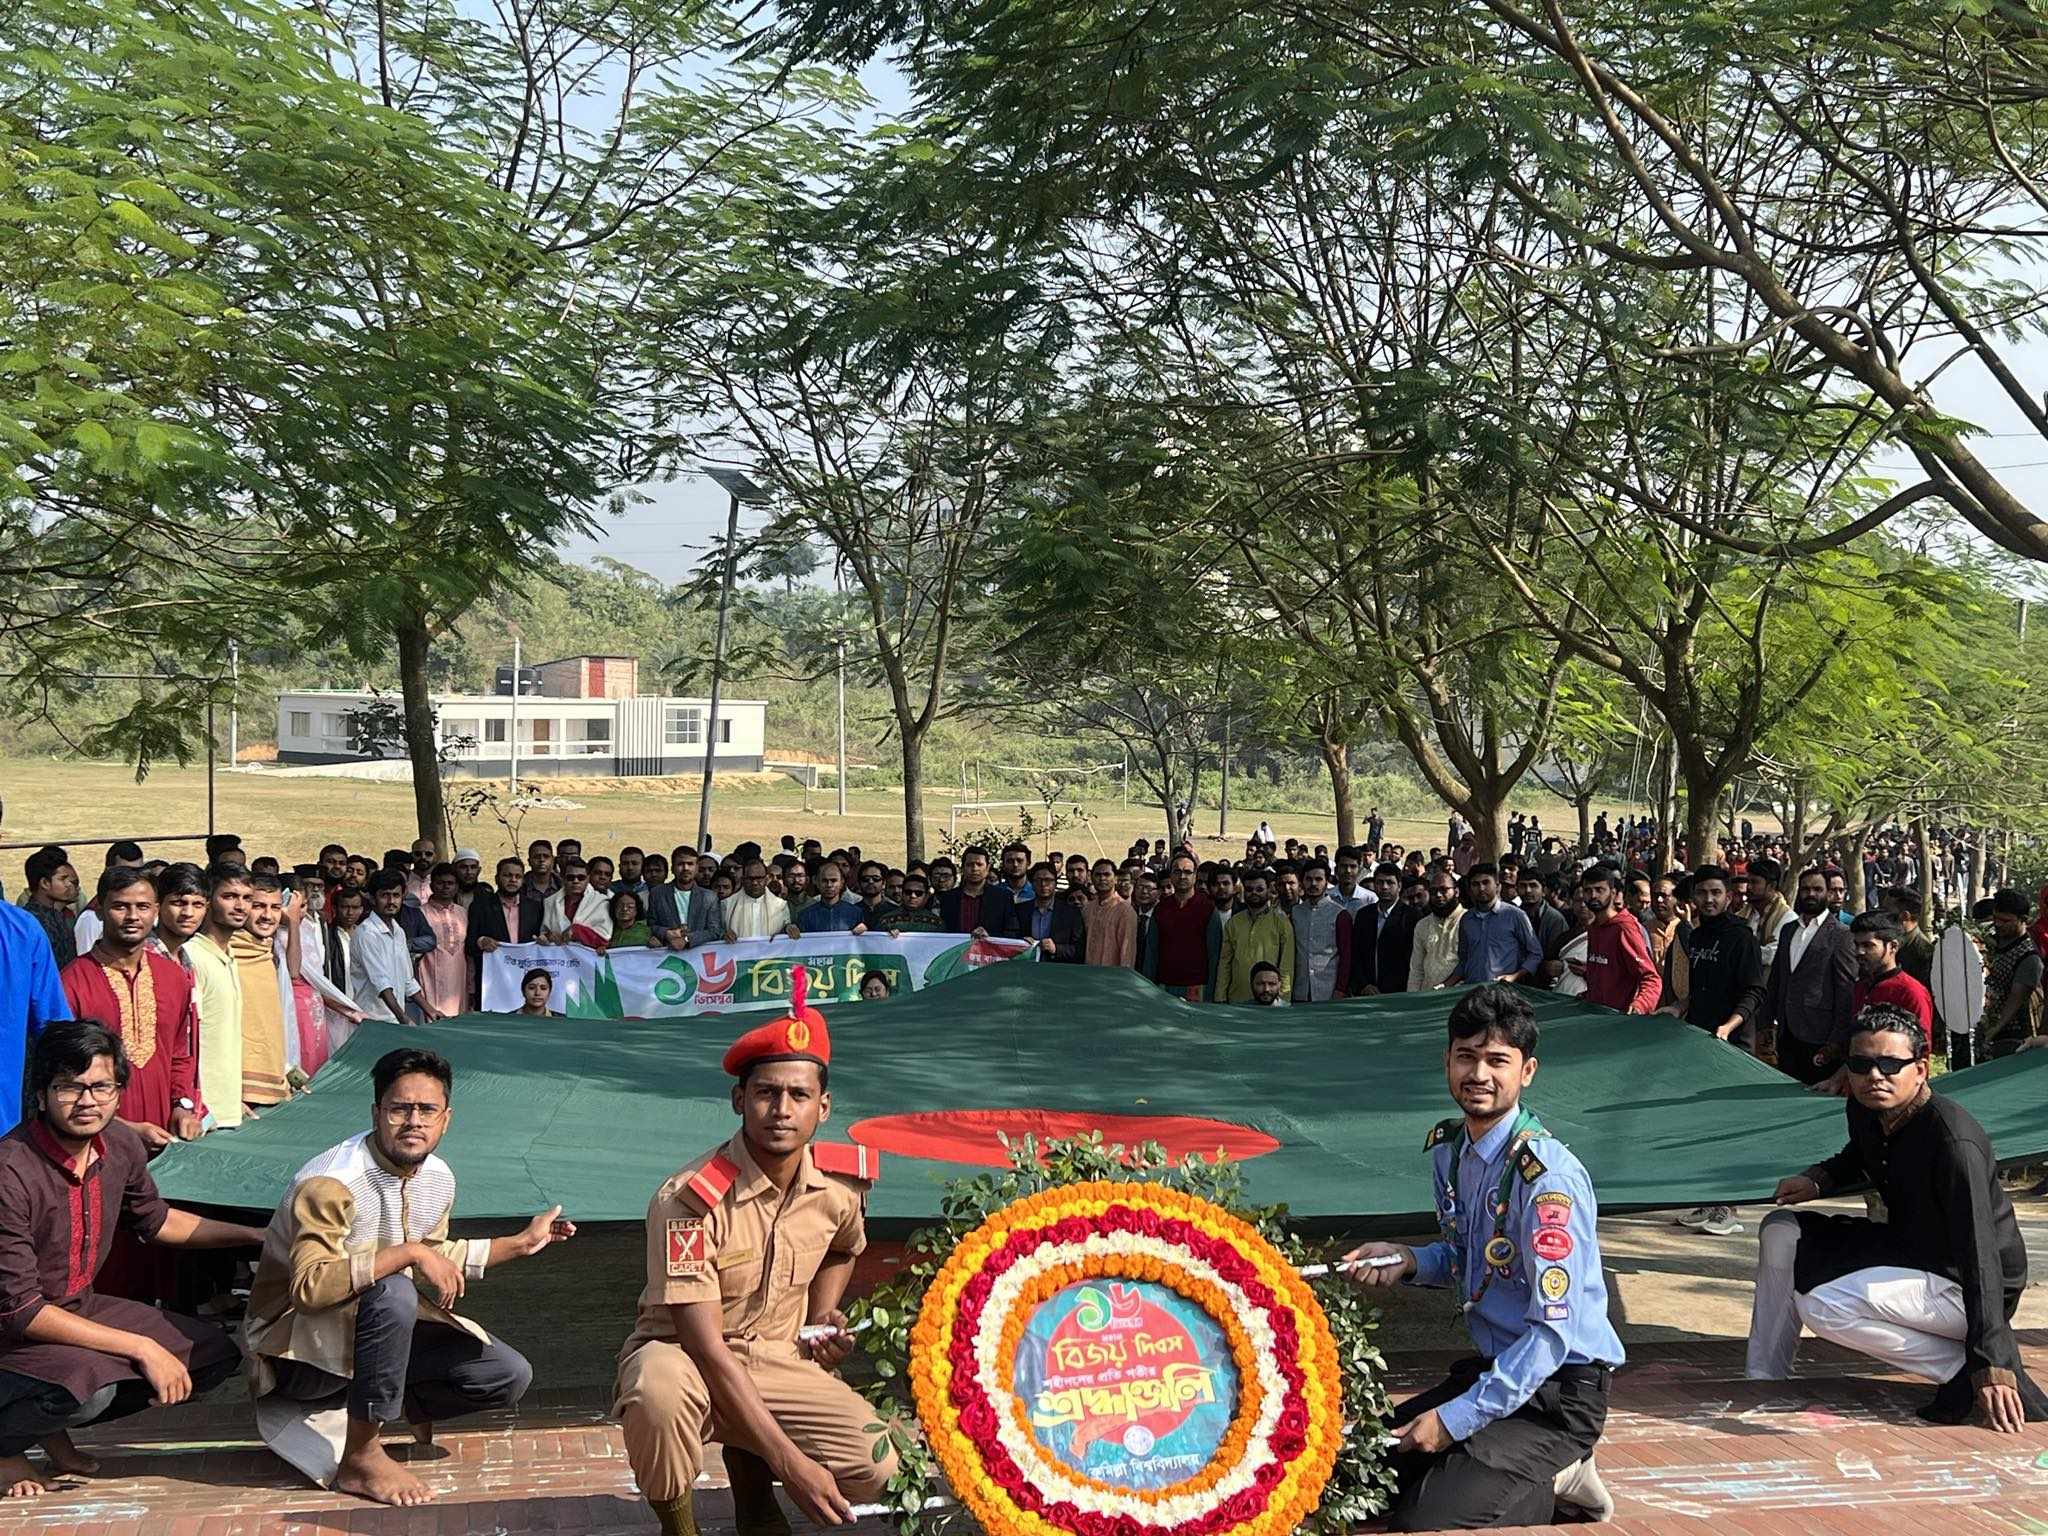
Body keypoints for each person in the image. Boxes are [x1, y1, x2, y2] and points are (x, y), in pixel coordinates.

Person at [614, 970, 894, 1536]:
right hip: (686, 1356)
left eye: (799, 1095)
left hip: (777, 1357)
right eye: (766, 1093)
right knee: (657, 1396)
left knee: (879, 1465)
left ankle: (747, 1464)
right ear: (740, 1100)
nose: (782, 1110)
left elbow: (844, 1248)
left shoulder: (840, 1185)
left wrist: (821, 1316)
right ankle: (678, 1523)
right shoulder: (689, 1199)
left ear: (825, 1106)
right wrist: (792, 1465)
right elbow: (705, 1344)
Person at [243, 1047, 574, 1504]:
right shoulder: (331, 1182)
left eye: (427, 1110)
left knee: (505, 1374)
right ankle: (360, 1456)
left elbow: (435, 1254)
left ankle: (373, 1409)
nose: (413, 1121)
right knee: (395, 1291)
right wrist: (409, 1253)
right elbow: (309, 1288)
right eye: (400, 1108)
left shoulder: (437, 1176)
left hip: (366, 1337)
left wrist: (519, 1243)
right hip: (295, 1356)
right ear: (377, 1113)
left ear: (447, 1118)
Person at [1344, 986, 1622, 1529]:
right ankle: (1485, 1461)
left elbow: (1550, 1335)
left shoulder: (1548, 1183)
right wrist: (1407, 1258)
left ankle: (1563, 1476)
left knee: (1427, 1521)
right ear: (1446, 1060)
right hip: (1495, 1375)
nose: (1479, 1074)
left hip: (1559, 1395)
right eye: (1466, 1056)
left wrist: (1453, 1420)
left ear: (1528, 1071)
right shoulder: (1452, 1150)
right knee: (1355, 1477)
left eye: (1498, 1061)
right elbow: (1470, 1257)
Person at [1748, 1004, 2048, 1429]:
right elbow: (1861, 1154)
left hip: (1967, 1284)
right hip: (1912, 1251)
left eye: (1890, 1064)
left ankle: (1959, 1371)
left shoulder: (1953, 1143)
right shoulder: (1865, 1108)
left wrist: (1994, 1362)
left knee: (1823, 1305)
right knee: (1780, 1230)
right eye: (1862, 1064)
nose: (1875, 1076)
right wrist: (1818, 1179)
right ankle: (1763, 1377)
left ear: (1921, 1070)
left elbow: (1980, 1252)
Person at [0, 1021, 260, 1498]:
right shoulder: (9, 1170)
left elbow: (157, 1221)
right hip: (12, 1330)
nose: (87, 1101)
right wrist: (140, 1346)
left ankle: (47, 1429)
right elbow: (22, 1310)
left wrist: (257, 1235)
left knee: (211, 1354)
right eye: (68, 1087)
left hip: (77, 1308)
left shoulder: (119, 1144)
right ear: (40, 1095)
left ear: (118, 1091)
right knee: (86, 1383)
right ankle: (6, 1447)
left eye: (101, 1086)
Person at [1760, 867, 1857, 1086]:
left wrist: (1836, 1041)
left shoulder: (1842, 935)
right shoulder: (1788, 930)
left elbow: (1846, 992)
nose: (1811, 894)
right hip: (1787, 1034)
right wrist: (1765, 1022)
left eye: (1817, 889)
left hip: (1821, 1038)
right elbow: (1777, 979)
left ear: (1829, 893)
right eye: (1805, 889)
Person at [186, 862, 250, 1131]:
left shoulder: (229, 954)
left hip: (227, 1106)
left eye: (247, 898)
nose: (240, 906)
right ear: (208, 901)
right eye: (229, 897)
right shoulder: (192, 955)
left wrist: (234, 1098)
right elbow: (187, 1039)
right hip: (202, 1112)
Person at [351, 871, 439, 1025]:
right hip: (372, 1020)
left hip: (394, 1018)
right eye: (385, 895)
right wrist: (403, 1018)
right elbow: (381, 983)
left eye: (396, 895)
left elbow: (408, 981)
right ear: (372, 898)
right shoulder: (367, 933)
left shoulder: (398, 931)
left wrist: (430, 1010)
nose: (391, 901)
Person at [1577, 867, 1660, 1014]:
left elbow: (1651, 978)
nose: (1593, 895)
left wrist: (1640, 1005)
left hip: (1619, 1021)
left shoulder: (1625, 928)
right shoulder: (1594, 928)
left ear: (1613, 893)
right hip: (1595, 1017)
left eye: (1599, 890)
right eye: (1588, 890)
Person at [465, 857, 543, 1001]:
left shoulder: (535, 907)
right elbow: (469, 945)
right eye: (507, 875)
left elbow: (540, 941)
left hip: (526, 980)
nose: (513, 880)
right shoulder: (480, 906)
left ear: (523, 880)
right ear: (496, 878)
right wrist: (481, 941)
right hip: (492, 982)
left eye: (518, 876)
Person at [1451, 865, 1541, 986]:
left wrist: (1514, 976)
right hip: (1472, 990)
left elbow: (1535, 954)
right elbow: (1464, 960)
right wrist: (1446, 984)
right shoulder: (1467, 919)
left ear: (1498, 886)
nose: (1481, 888)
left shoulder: (1515, 915)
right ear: (1470, 888)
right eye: (1475, 884)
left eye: (1486, 882)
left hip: (1504, 991)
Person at [1979, 889, 2042, 1058]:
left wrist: (1990, 1032)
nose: (1998, 924)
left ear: (2023, 920)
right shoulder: (1990, 944)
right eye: (1995, 918)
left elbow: (2015, 1001)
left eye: (2005, 920)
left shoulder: (2029, 957)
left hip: (2012, 1036)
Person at [1216, 872, 1293, 1003]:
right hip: (1237, 999)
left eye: (1259, 889)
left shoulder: (1281, 922)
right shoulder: (1234, 922)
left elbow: (1287, 965)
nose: (1254, 893)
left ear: (1269, 890)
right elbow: (1225, 964)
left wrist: (1283, 1000)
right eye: (1249, 889)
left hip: (1269, 1000)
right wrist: (1220, 996)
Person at [416, 865, 469, 1016]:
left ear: (457, 886)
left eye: (450, 883)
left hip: (459, 982)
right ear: (432, 885)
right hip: (429, 980)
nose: (445, 887)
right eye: (440, 883)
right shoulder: (420, 913)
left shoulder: (463, 913)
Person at [1290, 863, 1344, 1002]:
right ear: (1302, 882)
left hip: (1328, 989)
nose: (1313, 884)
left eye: (1319, 879)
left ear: (1327, 882)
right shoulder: (1295, 912)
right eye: (1308, 879)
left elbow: (1346, 956)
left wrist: (1341, 988)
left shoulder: (1340, 914)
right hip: (1299, 989)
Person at [19, 847, 78, 972]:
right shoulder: (27, 922)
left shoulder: (58, 915)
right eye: (63, 879)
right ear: (45, 883)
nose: (69, 884)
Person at [938, 846, 1014, 939]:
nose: (974, 869)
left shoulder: (1003, 897)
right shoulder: (948, 898)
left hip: (989, 951)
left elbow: (1012, 933)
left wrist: (990, 937)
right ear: (962, 868)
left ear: (987, 868)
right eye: (970, 864)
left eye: (979, 864)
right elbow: (942, 932)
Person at [541, 858, 613, 949]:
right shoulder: (549, 902)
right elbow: (544, 932)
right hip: (558, 959)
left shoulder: (602, 902)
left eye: (581, 877)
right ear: (563, 878)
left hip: (588, 959)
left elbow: (605, 938)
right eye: (570, 877)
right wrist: (547, 937)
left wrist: (577, 931)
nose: (576, 881)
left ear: (588, 878)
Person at [1410, 871, 1464, 991]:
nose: (1438, 895)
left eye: (1444, 890)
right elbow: (1416, 970)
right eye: (1433, 891)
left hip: (1460, 997)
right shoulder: (1422, 925)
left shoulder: (1469, 921)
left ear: (1456, 892)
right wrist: (1412, 1001)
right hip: (1428, 998)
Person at [1083, 858, 1136, 967]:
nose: (1102, 878)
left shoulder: (1125, 911)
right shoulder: (1087, 909)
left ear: (1116, 879)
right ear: (1091, 878)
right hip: (1086, 974)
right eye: (1098, 875)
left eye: (1107, 875)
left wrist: (1124, 978)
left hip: (1112, 978)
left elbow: (1127, 952)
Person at [723, 861, 792, 942]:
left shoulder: (780, 905)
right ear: (743, 879)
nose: (755, 883)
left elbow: (785, 932)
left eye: (759, 878)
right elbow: (719, 933)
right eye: (750, 879)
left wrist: (789, 928)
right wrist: (724, 935)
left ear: (766, 879)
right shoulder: (727, 904)